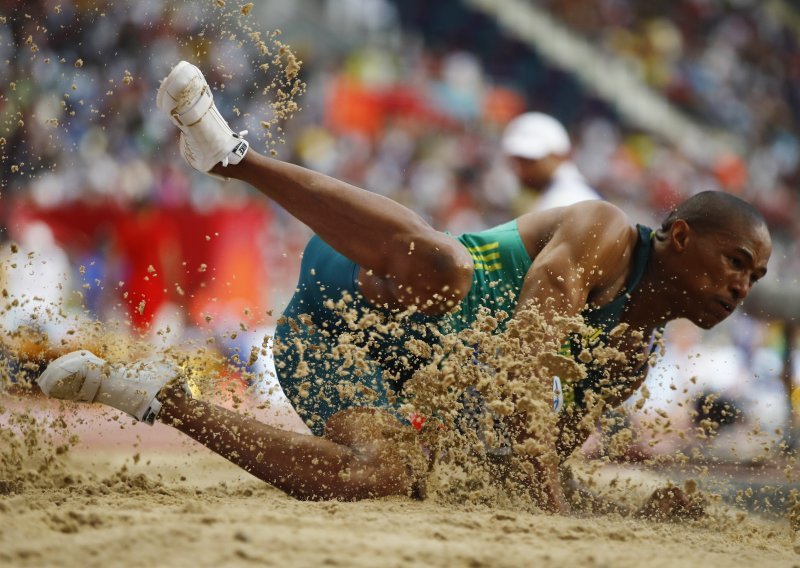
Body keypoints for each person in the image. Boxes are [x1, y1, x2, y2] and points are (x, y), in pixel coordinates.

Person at [37, 61, 771, 513]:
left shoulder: (629, 361)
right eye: (737, 262)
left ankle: (157, 397)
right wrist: (555, 502)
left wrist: (616, 507)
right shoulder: (607, 233)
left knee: (382, 477)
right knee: (447, 271)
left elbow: (524, 460)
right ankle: (232, 159)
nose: (742, 286)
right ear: (680, 237)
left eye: (757, 277)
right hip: (368, 284)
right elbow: (524, 366)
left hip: (334, 351)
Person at [501, 112, 601, 213]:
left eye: (530, 161)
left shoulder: (568, 199)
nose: (522, 170)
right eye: (518, 161)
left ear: (559, 155)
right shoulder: (553, 194)